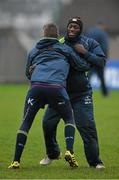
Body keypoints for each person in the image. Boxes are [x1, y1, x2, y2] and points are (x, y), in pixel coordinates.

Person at [8, 23, 91, 169]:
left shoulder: (34, 50)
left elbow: (28, 73)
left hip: (36, 88)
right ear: (57, 34)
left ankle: (16, 160)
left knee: (26, 122)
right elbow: (81, 66)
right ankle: (69, 151)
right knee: (69, 118)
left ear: (43, 34)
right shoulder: (65, 49)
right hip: (56, 88)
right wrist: (85, 56)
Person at [40, 17, 106, 169]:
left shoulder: (90, 43)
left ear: (80, 29)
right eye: (70, 26)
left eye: (76, 27)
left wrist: (85, 53)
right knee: (47, 123)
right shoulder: (59, 43)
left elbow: (101, 62)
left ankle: (95, 161)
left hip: (81, 94)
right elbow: (45, 58)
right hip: (59, 93)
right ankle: (52, 153)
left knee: (87, 126)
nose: (72, 29)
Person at [85, 21, 109, 96]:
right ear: (102, 25)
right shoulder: (102, 33)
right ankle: (105, 93)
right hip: (98, 58)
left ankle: (84, 91)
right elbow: (104, 47)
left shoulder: (89, 31)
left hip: (89, 57)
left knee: (88, 76)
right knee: (101, 76)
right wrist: (105, 58)